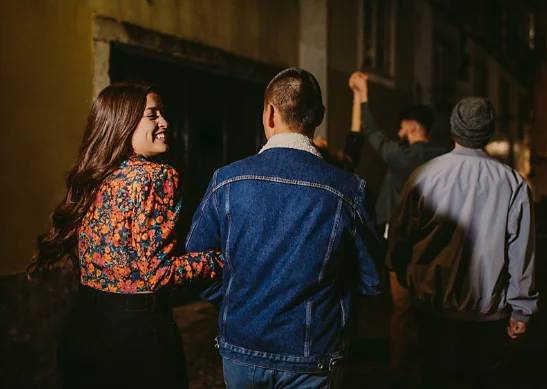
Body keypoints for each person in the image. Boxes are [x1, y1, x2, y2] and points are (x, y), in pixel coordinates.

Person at [186, 68, 384, 389]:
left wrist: (234, 298)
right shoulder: (348, 189)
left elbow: (196, 260)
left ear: (269, 113)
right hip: (312, 352)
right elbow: (371, 280)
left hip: (242, 344)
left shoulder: (226, 180)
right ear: (318, 116)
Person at [28, 82, 223, 389]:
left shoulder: (93, 175)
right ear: (124, 122)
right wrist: (215, 261)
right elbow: (157, 274)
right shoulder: (156, 176)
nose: (165, 123)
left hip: (83, 329)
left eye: (162, 113)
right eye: (152, 115)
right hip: (137, 338)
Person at [387, 97, 538, 388]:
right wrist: (521, 308)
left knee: (435, 378)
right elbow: (521, 250)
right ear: (489, 132)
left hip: (433, 308)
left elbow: (400, 235)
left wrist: (405, 274)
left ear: (454, 128)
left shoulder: (423, 176)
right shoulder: (512, 183)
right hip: (487, 313)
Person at [349, 71, 447, 387]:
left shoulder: (407, 156)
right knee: (433, 309)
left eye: (402, 127)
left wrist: (363, 95)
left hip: (404, 244)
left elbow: (371, 132)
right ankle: (434, 367)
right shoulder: (446, 157)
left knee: (401, 309)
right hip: (438, 242)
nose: (399, 132)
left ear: (412, 127)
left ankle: (398, 372)